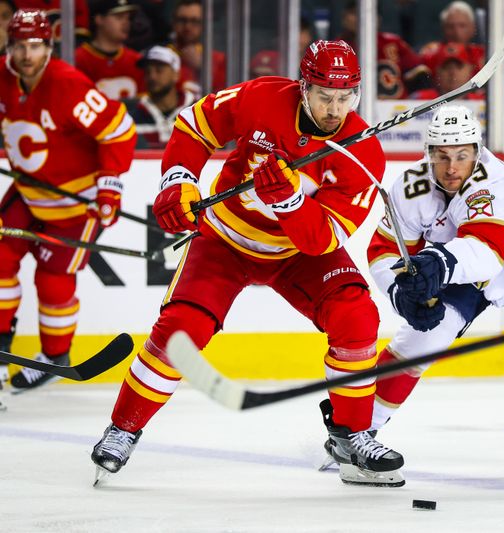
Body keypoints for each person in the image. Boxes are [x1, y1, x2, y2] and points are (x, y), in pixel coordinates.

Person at [90, 39, 405, 488]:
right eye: (323, 96)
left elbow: (323, 241)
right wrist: (178, 181)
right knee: (182, 327)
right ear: (303, 88)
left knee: (356, 314)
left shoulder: (362, 151)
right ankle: (123, 429)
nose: (334, 109)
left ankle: (351, 435)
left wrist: (291, 201)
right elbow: (195, 126)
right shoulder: (261, 98)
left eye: (344, 97)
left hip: (297, 254)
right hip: (224, 239)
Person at [365, 105, 504, 466]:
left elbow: (486, 252)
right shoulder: (411, 189)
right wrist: (399, 293)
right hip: (464, 267)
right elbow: (383, 249)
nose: (452, 168)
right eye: (442, 156)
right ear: (428, 153)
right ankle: (358, 430)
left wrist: (439, 262)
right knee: (421, 338)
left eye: (462, 155)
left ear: (478, 151)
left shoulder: (495, 183)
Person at [0, 10, 136, 390]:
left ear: (49, 46)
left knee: (53, 280)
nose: (26, 55)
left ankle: (54, 357)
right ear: (8, 46)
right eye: (19, 46)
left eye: (35, 46)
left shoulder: (68, 84)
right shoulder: (2, 76)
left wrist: (109, 186)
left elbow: (119, 131)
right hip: (27, 192)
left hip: (76, 200)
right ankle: (1, 349)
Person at [337, 0, 431, 99]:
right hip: (353, 108)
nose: (360, 18)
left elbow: (420, 70)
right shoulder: (335, 48)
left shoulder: (392, 42)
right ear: (344, 18)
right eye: (354, 13)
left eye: (368, 13)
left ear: (378, 19)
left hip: (398, 108)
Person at [123, 45, 196, 149]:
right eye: (148, 71)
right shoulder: (130, 119)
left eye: (159, 70)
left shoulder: (197, 112)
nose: (152, 76)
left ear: (176, 74)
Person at [75, 0, 144, 100]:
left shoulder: (137, 61)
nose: (126, 23)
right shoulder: (79, 59)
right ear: (99, 19)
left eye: (128, 18)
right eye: (119, 17)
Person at [170, 0, 225, 94]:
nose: (187, 26)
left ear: (204, 24)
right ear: (173, 22)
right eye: (182, 20)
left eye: (194, 21)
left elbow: (225, 96)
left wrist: (202, 68)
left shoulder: (219, 60)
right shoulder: (160, 58)